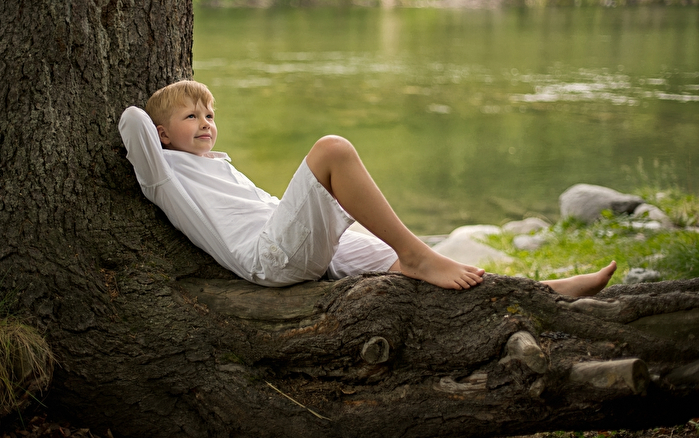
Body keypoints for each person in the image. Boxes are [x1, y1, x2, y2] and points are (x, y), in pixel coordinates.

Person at [119, 80, 616, 295]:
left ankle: (544, 292)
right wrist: (163, 122)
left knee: (406, 263)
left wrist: (187, 113)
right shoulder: (164, 175)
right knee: (332, 149)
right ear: (162, 135)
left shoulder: (218, 165)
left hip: (296, 245)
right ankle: (419, 255)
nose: (206, 123)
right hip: (269, 258)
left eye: (210, 115)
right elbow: (132, 120)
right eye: (191, 117)